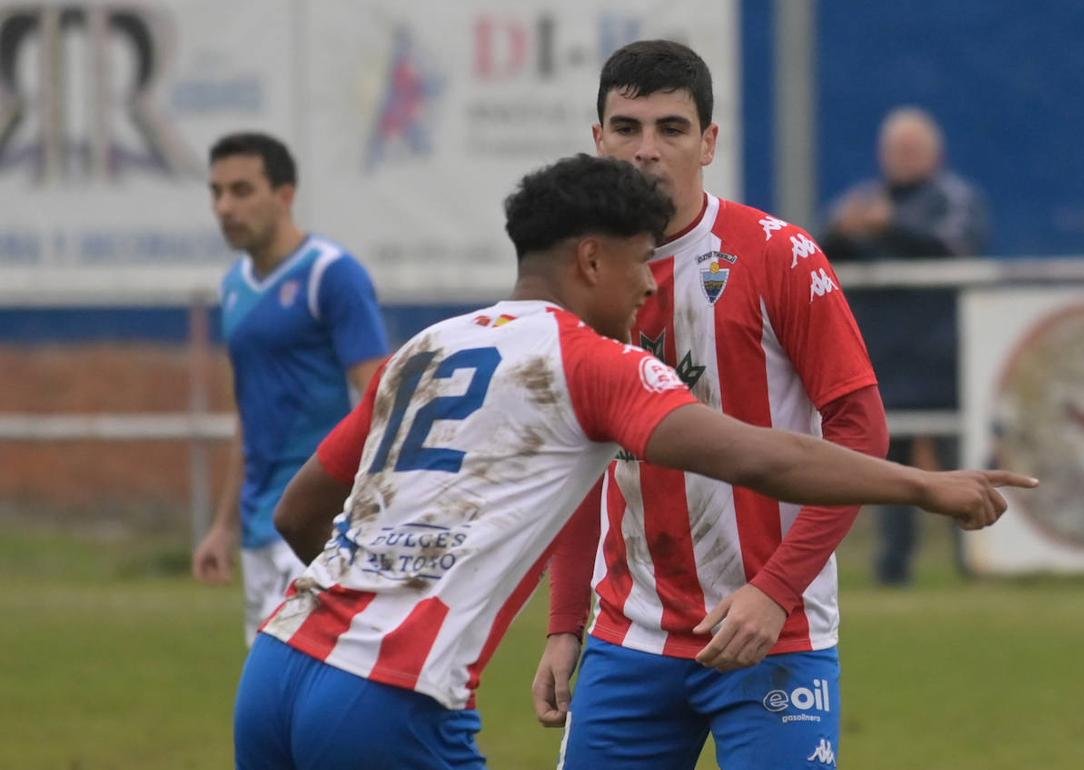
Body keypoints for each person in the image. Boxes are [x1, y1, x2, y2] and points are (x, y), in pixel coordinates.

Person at [232, 153, 1034, 770]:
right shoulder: (593, 364)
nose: (651, 285)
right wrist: (924, 485)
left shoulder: (427, 347)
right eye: (641, 261)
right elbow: (762, 458)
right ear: (590, 261)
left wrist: (384, 590)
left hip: (276, 667)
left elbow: (299, 512)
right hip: (389, 698)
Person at [531, 41, 907, 770]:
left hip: (774, 632)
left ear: (708, 142)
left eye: (670, 129)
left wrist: (776, 591)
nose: (646, 149)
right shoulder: (578, 278)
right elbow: (579, 458)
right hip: (630, 636)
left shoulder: (778, 255)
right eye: (627, 128)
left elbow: (861, 433)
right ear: (598, 140)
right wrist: (564, 622)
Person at [192, 132, 389, 646]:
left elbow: (384, 401)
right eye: (217, 192)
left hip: (314, 524)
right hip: (259, 530)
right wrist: (224, 525)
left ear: (285, 194)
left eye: (241, 190)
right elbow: (250, 412)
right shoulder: (234, 285)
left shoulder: (331, 275)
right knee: (272, 688)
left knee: (291, 683)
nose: (225, 207)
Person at [819, 107, 990, 586]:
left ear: (935, 153)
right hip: (886, 364)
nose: (903, 157)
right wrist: (845, 231)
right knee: (891, 472)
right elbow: (818, 252)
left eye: (912, 149)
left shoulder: (954, 200)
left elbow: (957, 247)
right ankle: (893, 570)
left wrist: (889, 227)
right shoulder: (861, 202)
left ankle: (977, 560)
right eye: (895, 149)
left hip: (945, 361)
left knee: (960, 464)